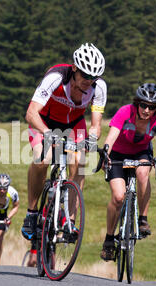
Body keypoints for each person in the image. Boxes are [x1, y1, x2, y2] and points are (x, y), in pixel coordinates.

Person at [21, 43, 107, 264]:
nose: (89, 80)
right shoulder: (56, 77)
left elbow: (96, 124)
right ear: (75, 69)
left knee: (80, 162)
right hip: (44, 121)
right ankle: (32, 213)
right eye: (86, 75)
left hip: (74, 124)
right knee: (43, 158)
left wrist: (93, 137)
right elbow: (31, 113)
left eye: (94, 77)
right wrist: (48, 133)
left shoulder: (99, 88)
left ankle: (69, 220)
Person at [99, 83, 156, 261]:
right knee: (119, 197)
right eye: (143, 105)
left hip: (141, 152)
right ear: (137, 103)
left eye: (151, 107)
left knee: (143, 173)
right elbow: (112, 136)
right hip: (118, 154)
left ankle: (143, 218)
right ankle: (109, 239)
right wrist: (105, 153)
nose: (146, 110)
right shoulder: (124, 112)